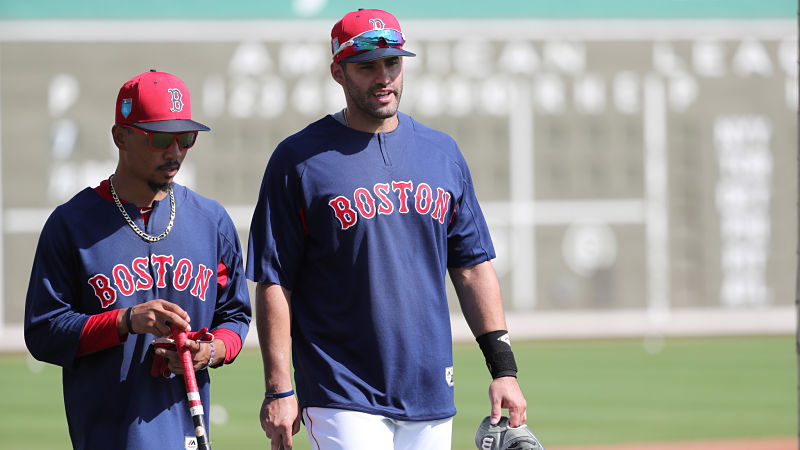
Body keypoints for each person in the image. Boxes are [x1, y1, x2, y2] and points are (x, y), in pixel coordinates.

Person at [246, 8, 527, 450]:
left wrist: (504, 370)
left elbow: (472, 268)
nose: (384, 77)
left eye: (392, 63)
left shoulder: (442, 153)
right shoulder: (298, 160)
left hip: (431, 388)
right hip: (340, 389)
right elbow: (274, 282)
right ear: (338, 72)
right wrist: (279, 389)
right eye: (367, 66)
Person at [24, 69, 252, 450]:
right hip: (106, 437)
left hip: (185, 434)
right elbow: (43, 331)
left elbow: (235, 317)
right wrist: (125, 321)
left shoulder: (212, 222)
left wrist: (208, 352)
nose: (175, 151)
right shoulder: (71, 224)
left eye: (186, 138)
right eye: (161, 138)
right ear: (120, 137)